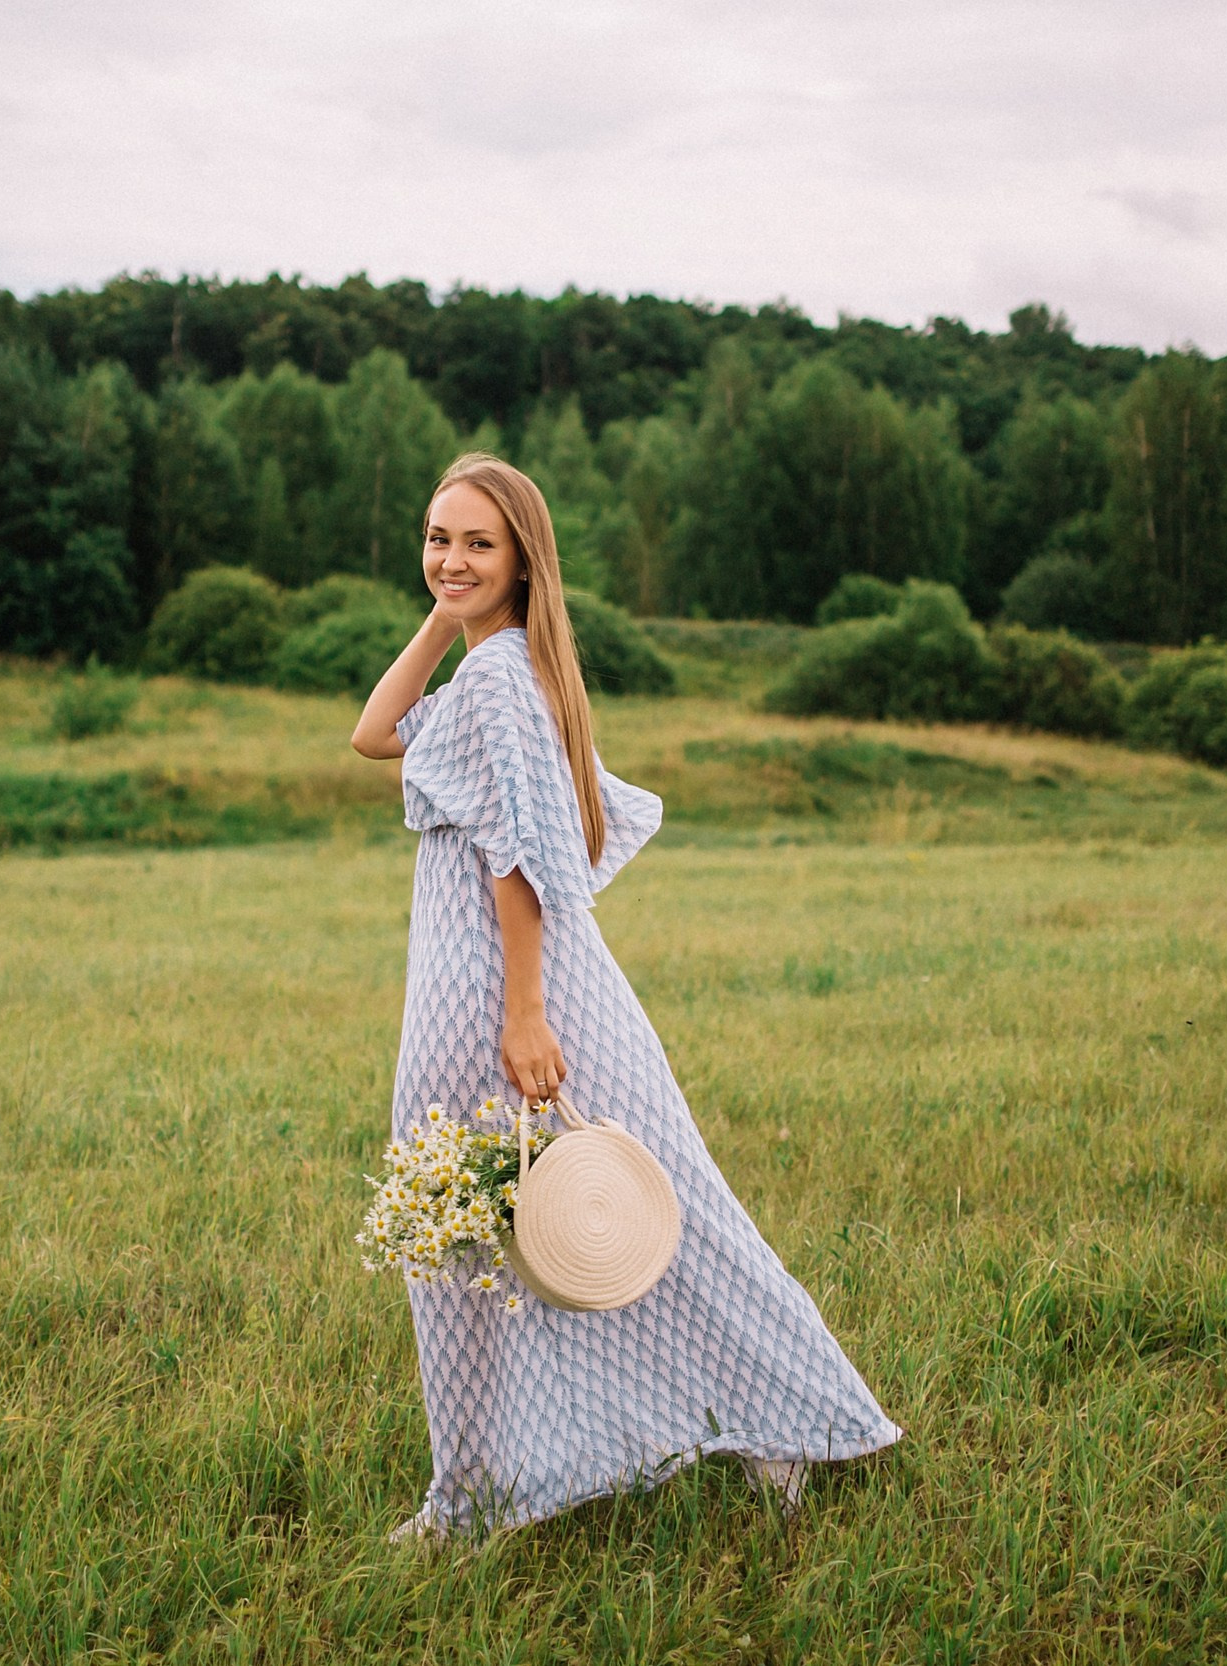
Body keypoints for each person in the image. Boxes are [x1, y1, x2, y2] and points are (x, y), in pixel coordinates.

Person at [350, 453, 900, 1540]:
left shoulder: (502, 682)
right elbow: (372, 733)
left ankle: (471, 1496)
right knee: (628, 1216)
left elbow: (515, 861)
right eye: (436, 538)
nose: (449, 557)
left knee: (488, 1238)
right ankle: (742, 1427)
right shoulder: (492, 671)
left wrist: (521, 1014)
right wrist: (443, 617)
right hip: (528, 990)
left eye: (477, 545)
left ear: (523, 564)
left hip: (504, 994)